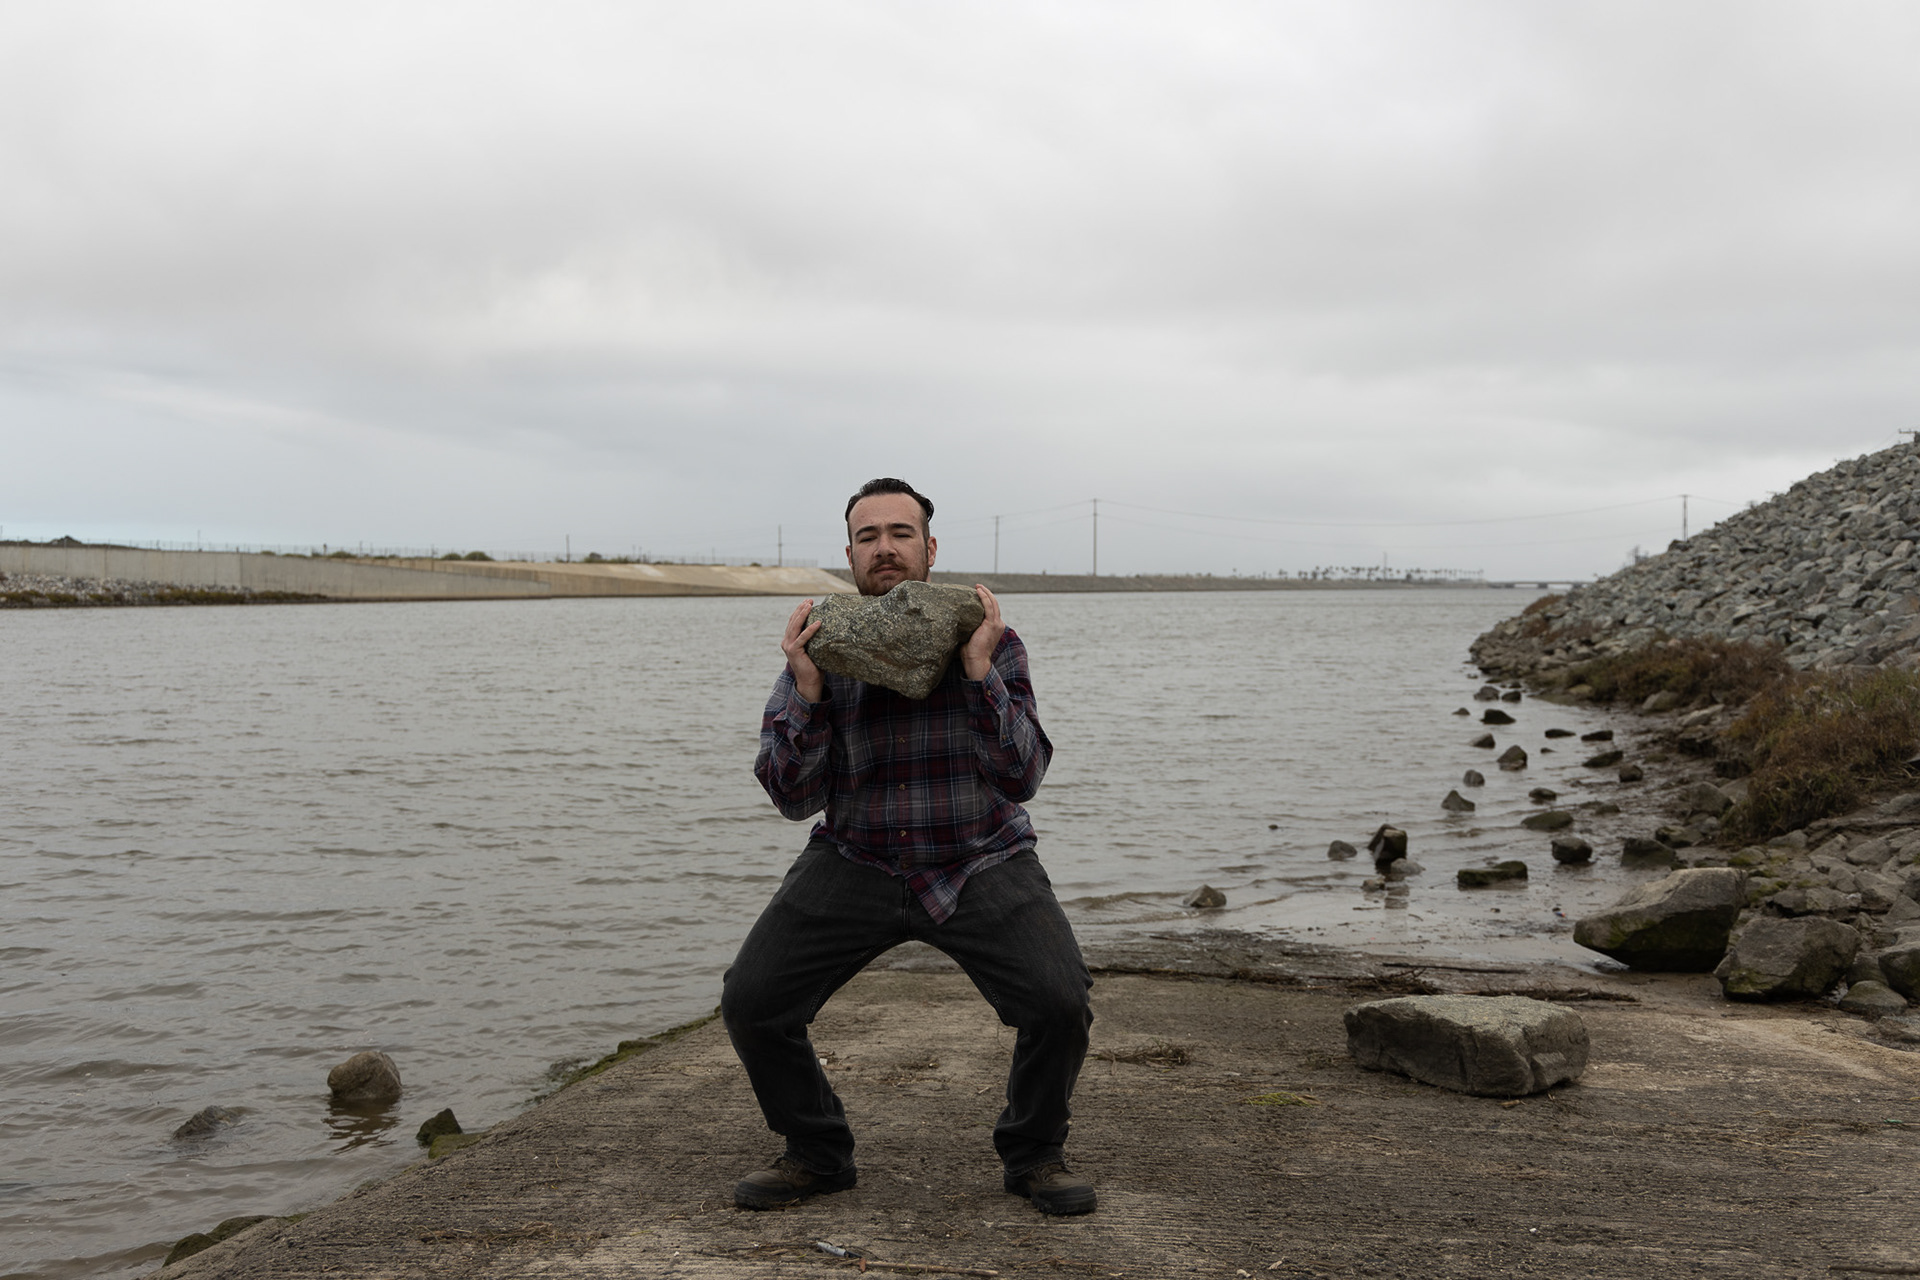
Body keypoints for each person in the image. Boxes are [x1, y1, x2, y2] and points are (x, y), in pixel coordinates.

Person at [721, 476, 1096, 1216]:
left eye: (900, 534)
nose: (884, 548)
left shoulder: (988, 639)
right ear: (850, 556)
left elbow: (1022, 777)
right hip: (855, 856)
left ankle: (1034, 1153)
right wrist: (808, 688)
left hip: (978, 856)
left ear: (930, 549)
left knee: (1060, 1003)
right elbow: (791, 797)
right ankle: (817, 1153)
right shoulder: (823, 643)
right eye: (868, 537)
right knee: (753, 1001)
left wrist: (979, 671)